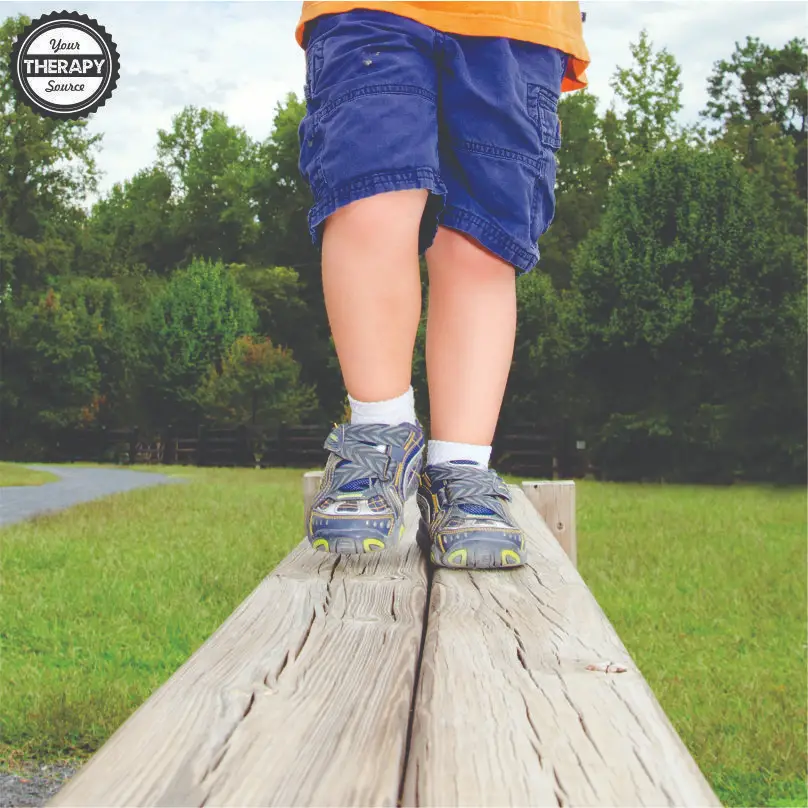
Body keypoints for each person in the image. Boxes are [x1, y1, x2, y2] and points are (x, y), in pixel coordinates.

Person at [295, 1, 589, 568]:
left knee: (483, 242)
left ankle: (460, 469)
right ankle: (380, 430)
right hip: (370, 10)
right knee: (369, 196)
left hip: (517, 19)